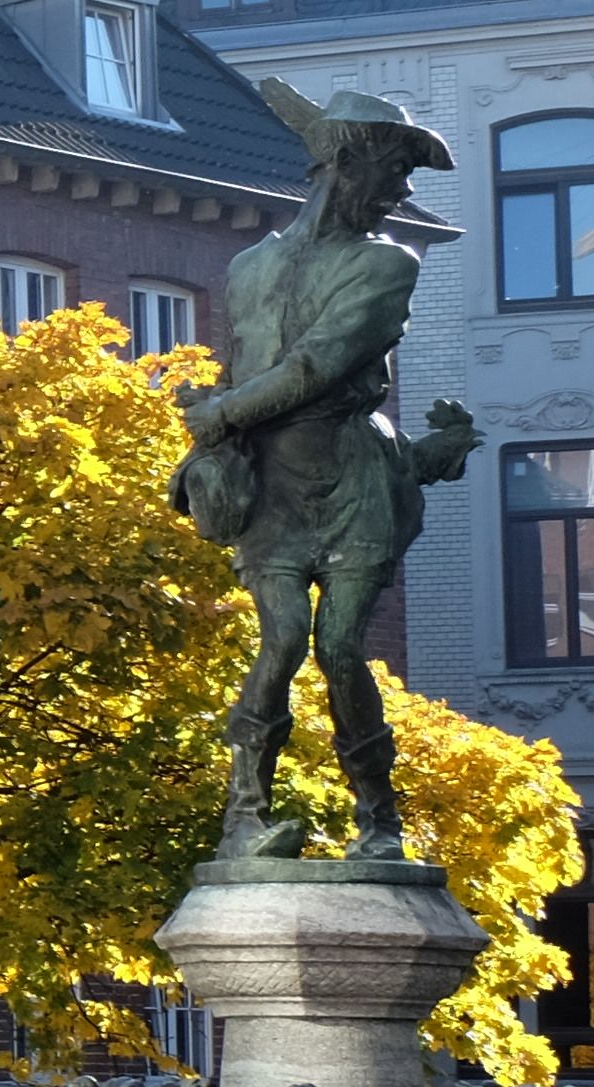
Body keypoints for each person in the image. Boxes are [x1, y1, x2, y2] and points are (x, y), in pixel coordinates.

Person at [172, 84, 478, 859]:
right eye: (397, 170)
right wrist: (222, 423)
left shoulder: (387, 267)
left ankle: (379, 822)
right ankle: (245, 818)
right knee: (280, 642)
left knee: (338, 645)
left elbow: (319, 363)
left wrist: (225, 413)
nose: (404, 191)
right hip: (271, 479)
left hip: (352, 474)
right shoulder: (250, 267)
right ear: (347, 165)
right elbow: (250, 362)